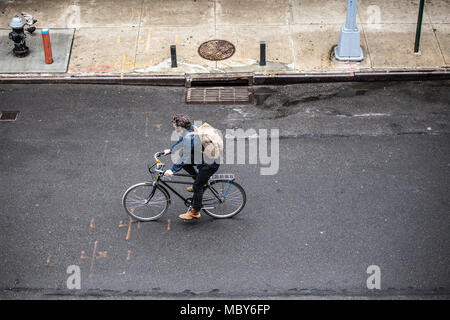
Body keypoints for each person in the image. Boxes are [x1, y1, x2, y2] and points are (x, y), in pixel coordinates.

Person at [163, 114, 219, 220]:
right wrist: (171, 150)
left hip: (209, 164)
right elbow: (182, 141)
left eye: (175, 126)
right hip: (205, 158)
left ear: (180, 126)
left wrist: (172, 170)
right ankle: (198, 181)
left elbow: (185, 157)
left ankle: (195, 212)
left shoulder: (191, 138)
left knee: (198, 186)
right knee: (186, 163)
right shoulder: (190, 128)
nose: (174, 128)